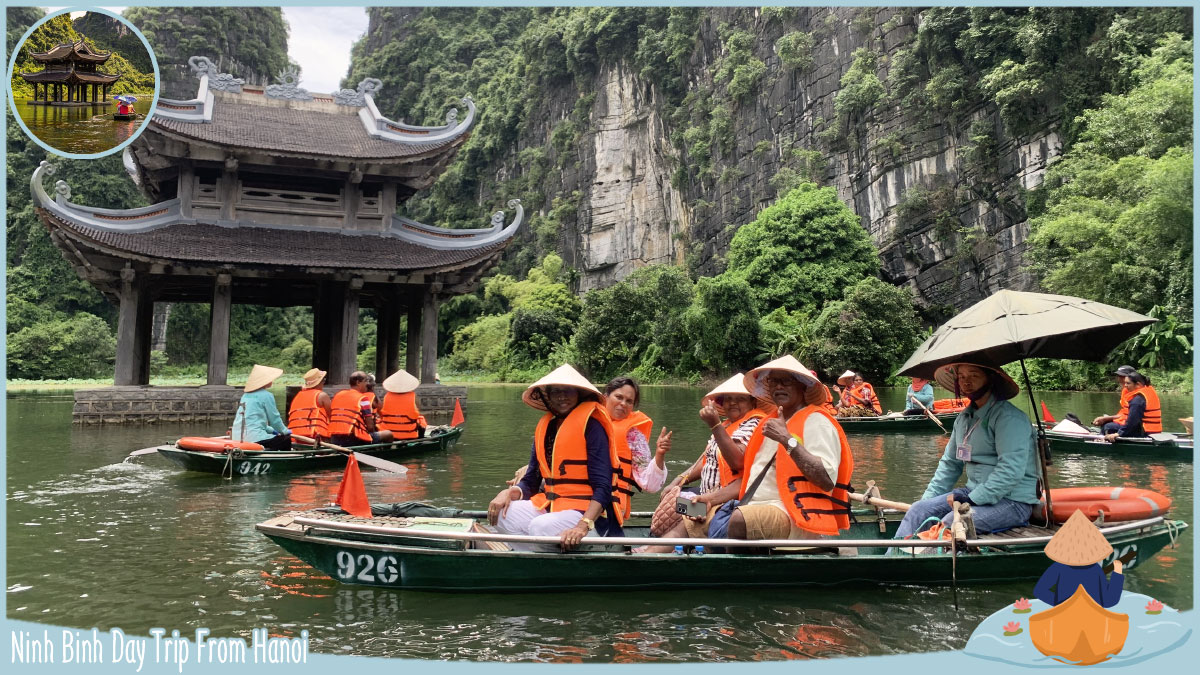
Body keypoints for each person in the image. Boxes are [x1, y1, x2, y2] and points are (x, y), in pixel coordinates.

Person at [687, 356, 854, 544]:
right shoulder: (769, 424)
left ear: (803, 386)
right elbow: (747, 479)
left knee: (740, 520)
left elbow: (826, 480)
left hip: (792, 514)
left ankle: (734, 571)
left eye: (786, 381)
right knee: (688, 517)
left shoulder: (817, 422)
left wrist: (786, 439)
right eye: (773, 381)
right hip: (749, 505)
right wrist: (711, 499)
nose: (778, 387)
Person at [893, 363, 1041, 541]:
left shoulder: (1009, 418)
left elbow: (1010, 471)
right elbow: (949, 465)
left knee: (952, 522)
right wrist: (927, 501)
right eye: (961, 377)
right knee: (918, 510)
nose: (966, 382)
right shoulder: (963, 419)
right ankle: (895, 559)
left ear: (990, 379)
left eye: (974, 375)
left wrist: (972, 498)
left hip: (1012, 502)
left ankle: (920, 563)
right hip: (970, 494)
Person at [487, 364, 621, 551]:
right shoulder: (545, 428)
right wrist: (509, 493)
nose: (562, 397)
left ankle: (549, 559)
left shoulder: (592, 427)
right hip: (551, 506)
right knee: (502, 513)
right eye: (555, 391)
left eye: (568, 391)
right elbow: (531, 482)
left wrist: (582, 526)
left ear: (579, 394)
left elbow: (603, 487)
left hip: (587, 513)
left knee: (540, 527)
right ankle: (532, 561)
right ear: (547, 396)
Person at [642, 373, 770, 551]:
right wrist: (678, 481)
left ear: (752, 403)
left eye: (740, 399)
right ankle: (659, 542)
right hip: (708, 494)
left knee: (677, 509)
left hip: (728, 499)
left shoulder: (752, 424)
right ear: (722, 403)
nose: (733, 402)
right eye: (728, 399)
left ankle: (661, 548)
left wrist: (715, 425)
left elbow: (737, 462)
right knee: (669, 500)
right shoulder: (726, 426)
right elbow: (706, 461)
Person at [603, 377, 672, 521]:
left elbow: (649, 484)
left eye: (629, 401)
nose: (623, 404)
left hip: (610, 504)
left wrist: (660, 454)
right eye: (619, 397)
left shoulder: (634, 436)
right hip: (576, 498)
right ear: (605, 396)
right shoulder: (587, 422)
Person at [1033, 509, 1124, 607]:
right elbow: (1109, 601)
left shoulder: (1059, 567)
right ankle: (1094, 526)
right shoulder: (1095, 570)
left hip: (1065, 616)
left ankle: (1094, 526)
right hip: (1092, 616)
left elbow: (1039, 591)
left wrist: (1060, 604)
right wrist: (1117, 574)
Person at [231, 364, 292, 451]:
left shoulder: (245, 395)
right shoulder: (267, 395)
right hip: (255, 438)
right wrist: (285, 431)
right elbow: (275, 419)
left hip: (237, 437)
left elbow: (255, 421)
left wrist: (273, 431)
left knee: (275, 437)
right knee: (285, 440)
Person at [328, 371, 394, 447]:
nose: (368, 384)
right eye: (366, 381)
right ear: (358, 382)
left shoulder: (338, 395)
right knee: (388, 434)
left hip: (334, 438)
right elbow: (370, 427)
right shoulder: (363, 399)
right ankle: (382, 454)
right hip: (354, 438)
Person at [1097, 371, 1161, 442]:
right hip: (1153, 431)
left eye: (1128, 383)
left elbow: (1132, 422)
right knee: (1110, 425)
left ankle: (1101, 443)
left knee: (1108, 426)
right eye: (1125, 383)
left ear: (1138, 384)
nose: (1125, 385)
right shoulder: (1148, 391)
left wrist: (1119, 434)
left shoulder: (1137, 400)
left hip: (1144, 433)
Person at [377, 369, 427, 440]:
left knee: (379, 421)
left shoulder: (387, 396)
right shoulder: (413, 396)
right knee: (421, 419)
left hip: (389, 434)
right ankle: (420, 438)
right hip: (409, 433)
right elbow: (417, 412)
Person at [287, 368, 332, 440]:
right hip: (313, 435)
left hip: (294, 436)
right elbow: (331, 416)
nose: (324, 383)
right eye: (324, 380)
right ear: (320, 382)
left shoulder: (298, 395)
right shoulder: (322, 395)